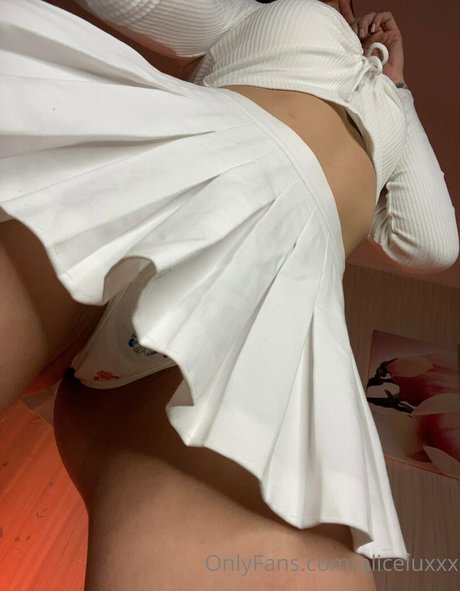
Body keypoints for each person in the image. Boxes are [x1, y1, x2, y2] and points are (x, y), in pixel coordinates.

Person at [0, 0, 458, 589]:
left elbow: (431, 243)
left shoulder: (392, 104)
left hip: (259, 307)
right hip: (134, 199)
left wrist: (397, 87)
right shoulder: (258, 14)